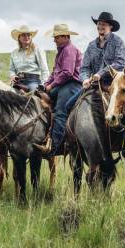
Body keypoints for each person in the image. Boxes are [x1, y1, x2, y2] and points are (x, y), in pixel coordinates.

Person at [64, 11, 125, 113]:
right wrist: (85, 79)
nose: (100, 26)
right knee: (68, 106)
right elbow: (84, 67)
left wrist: (100, 73)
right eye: (99, 23)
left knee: (122, 112)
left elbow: (120, 63)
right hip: (94, 84)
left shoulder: (118, 42)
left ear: (110, 26)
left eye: (104, 24)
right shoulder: (91, 45)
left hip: (113, 83)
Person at [42, 24, 82, 157]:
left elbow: (67, 73)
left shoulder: (69, 50)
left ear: (66, 37)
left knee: (60, 112)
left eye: (57, 37)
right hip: (60, 84)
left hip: (71, 85)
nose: (54, 40)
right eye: (54, 37)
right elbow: (54, 73)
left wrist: (51, 86)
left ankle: (53, 148)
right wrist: (46, 84)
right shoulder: (61, 51)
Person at [9, 25, 50, 91]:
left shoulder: (37, 50)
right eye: (23, 35)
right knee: (8, 96)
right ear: (19, 38)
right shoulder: (14, 53)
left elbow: (44, 69)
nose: (26, 37)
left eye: (28, 35)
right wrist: (12, 75)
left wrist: (43, 84)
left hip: (33, 81)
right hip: (18, 82)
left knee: (33, 97)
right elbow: (11, 69)